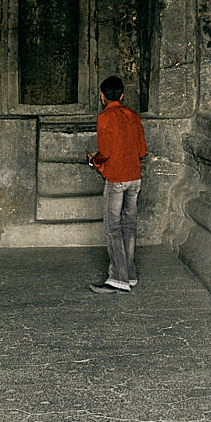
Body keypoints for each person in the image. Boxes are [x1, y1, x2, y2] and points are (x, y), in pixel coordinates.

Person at [87, 74, 147, 294]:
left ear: (103, 96)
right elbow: (142, 151)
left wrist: (94, 161)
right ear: (122, 95)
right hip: (135, 177)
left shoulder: (105, 117)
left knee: (113, 227)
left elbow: (106, 152)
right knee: (129, 226)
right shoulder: (133, 116)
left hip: (117, 180)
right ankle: (129, 274)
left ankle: (118, 278)